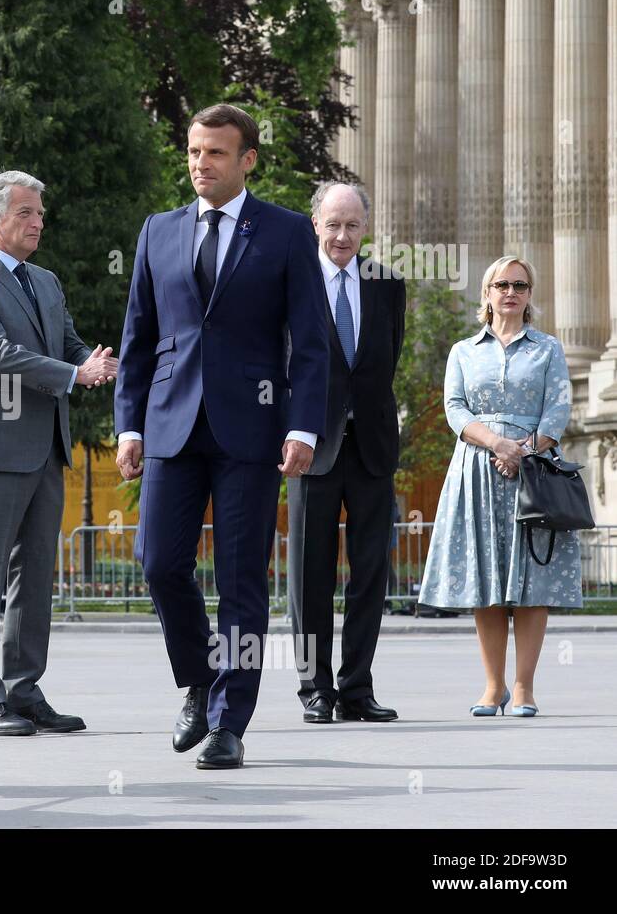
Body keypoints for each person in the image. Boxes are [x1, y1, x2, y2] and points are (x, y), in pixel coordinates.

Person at [114, 104, 328, 769]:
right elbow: (139, 339)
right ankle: (199, 677)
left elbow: (313, 344)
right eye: (193, 152)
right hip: (172, 426)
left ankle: (230, 722)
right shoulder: (159, 231)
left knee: (241, 580)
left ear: (246, 160)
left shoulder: (289, 233)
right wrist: (128, 424)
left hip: (253, 431)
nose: (200, 163)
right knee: (159, 562)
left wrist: (303, 425)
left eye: (214, 153)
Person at [0, 169, 117, 736]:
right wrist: (75, 372)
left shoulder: (46, 281)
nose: (37, 222)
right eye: (25, 212)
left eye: (40, 213)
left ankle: (23, 690)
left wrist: (100, 362)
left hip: (46, 449)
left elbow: (66, 344)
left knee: (36, 577)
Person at [418, 256, 580, 716]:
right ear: (487, 294)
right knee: (485, 579)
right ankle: (493, 686)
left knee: (532, 582)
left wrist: (523, 451)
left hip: (533, 474)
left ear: (530, 295)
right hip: (477, 470)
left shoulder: (547, 349)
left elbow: (558, 410)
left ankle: (524, 686)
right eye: (502, 284)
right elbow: (454, 408)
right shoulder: (463, 351)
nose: (511, 292)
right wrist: (496, 443)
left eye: (521, 285)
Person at [286, 182, 405, 724]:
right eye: (332, 224)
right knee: (309, 577)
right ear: (315, 224)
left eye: (352, 225)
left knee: (370, 574)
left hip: (373, 448)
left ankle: (357, 688)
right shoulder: (293, 279)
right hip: (311, 446)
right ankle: (315, 688)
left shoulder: (387, 283)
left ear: (365, 228)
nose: (342, 235)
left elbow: (385, 362)